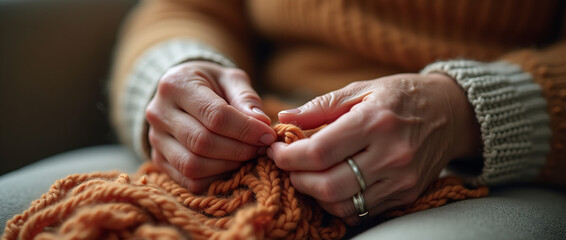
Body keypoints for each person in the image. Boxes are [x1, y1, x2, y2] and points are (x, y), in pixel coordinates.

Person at [110, 0, 566, 226]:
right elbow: (183, 9)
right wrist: (176, 70)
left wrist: (469, 109)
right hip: (255, 130)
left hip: (475, 162)